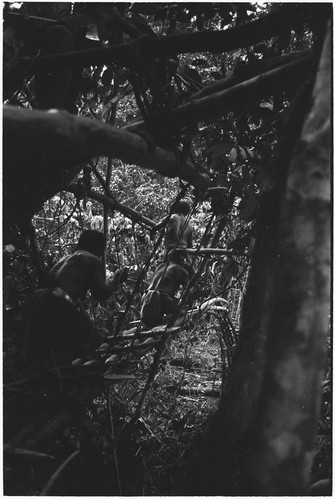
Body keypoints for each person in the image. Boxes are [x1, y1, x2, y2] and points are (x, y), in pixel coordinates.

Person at [23, 230, 127, 380]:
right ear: (99, 248)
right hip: (60, 303)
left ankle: (52, 373)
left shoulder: (64, 259)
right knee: (95, 342)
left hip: (39, 300)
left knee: (51, 344)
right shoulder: (93, 260)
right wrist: (116, 280)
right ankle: (73, 376)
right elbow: (100, 294)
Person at [140, 252, 189, 328]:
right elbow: (188, 290)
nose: (184, 262)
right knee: (183, 311)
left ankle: (157, 322)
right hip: (160, 299)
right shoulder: (180, 270)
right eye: (183, 260)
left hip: (145, 297)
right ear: (180, 260)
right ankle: (165, 326)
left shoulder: (160, 267)